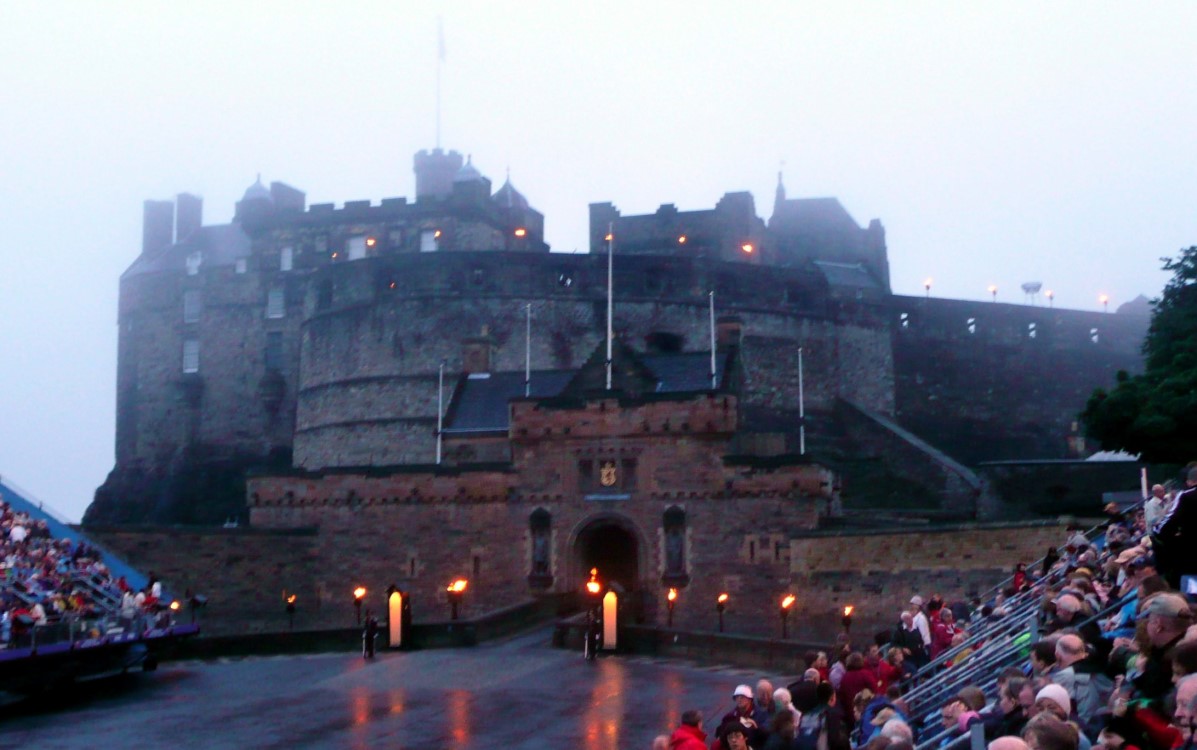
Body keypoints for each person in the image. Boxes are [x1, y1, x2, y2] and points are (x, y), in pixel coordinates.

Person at [1153, 467, 1197, 588]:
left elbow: (1165, 527)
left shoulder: (1186, 496)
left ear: (1191, 481)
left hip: (1192, 563)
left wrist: (1157, 531)